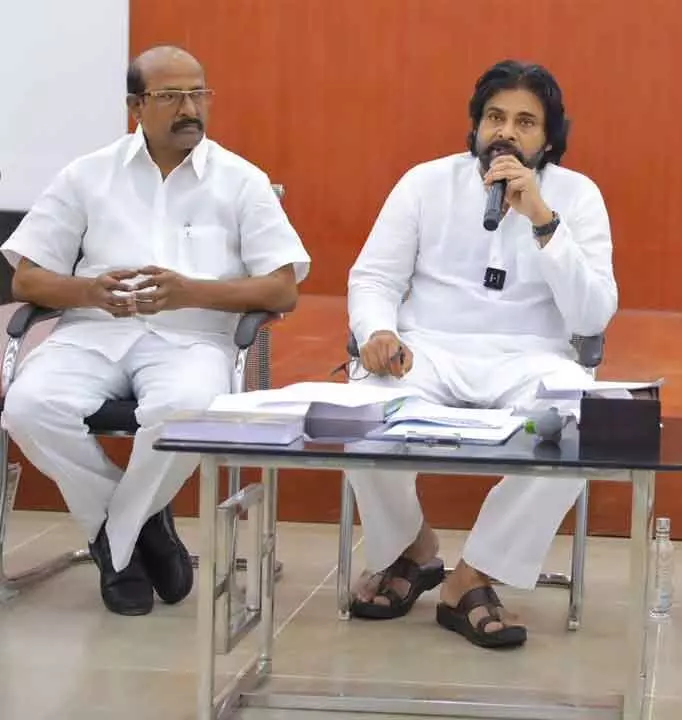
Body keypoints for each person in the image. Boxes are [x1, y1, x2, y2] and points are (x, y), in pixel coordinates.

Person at [0, 46, 310, 616]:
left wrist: (192, 290)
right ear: (135, 106)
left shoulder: (242, 181)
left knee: (186, 408)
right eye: (171, 97)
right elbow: (27, 279)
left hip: (193, 340)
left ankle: (115, 542)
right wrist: (88, 291)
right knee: (27, 406)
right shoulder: (86, 175)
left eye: (199, 93)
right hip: (90, 334)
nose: (190, 107)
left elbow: (281, 288)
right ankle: (145, 526)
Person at [344, 59, 616, 649]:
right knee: (359, 413)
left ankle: (473, 575)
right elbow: (373, 279)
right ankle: (414, 548)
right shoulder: (425, 183)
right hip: (429, 351)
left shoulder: (577, 197)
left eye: (525, 122)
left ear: (549, 138)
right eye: (495, 117)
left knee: (583, 425)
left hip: (532, 356)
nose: (507, 133)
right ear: (475, 124)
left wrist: (543, 220)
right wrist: (377, 332)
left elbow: (592, 315)